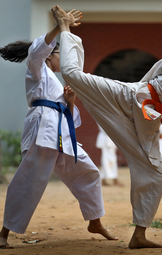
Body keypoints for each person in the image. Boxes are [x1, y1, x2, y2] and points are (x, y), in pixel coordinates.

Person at [51, 5, 162, 249]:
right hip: (127, 96)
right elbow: (143, 84)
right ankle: (64, 27)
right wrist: (141, 104)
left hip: (148, 123)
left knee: (157, 174)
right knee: (72, 75)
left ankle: (139, 235)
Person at [0, 10, 116, 249]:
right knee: (30, 181)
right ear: (50, 56)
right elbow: (36, 50)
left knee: (88, 172)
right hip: (43, 130)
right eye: (60, 54)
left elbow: (71, 120)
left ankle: (95, 221)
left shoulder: (57, 81)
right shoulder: (37, 68)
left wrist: (70, 102)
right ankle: (3, 233)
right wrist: (59, 26)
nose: (63, 60)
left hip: (61, 133)